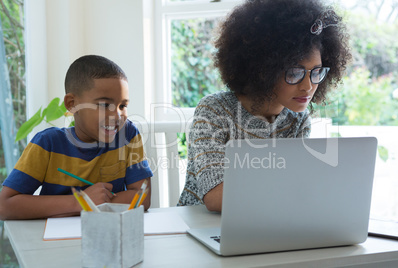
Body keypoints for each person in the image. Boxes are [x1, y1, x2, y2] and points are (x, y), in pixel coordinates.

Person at [178, 0, 351, 212]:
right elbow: (217, 198)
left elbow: (295, 190)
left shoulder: (298, 121)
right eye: (295, 72)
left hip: (263, 221)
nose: (308, 86)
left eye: (316, 72)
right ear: (263, 70)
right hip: (197, 227)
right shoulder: (215, 111)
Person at [0, 55, 153, 220]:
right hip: (53, 241)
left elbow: (142, 197)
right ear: (72, 104)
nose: (117, 115)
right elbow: (5, 206)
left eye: (122, 106)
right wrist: (79, 203)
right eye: (104, 105)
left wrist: (98, 202)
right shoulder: (48, 143)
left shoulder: (127, 134)